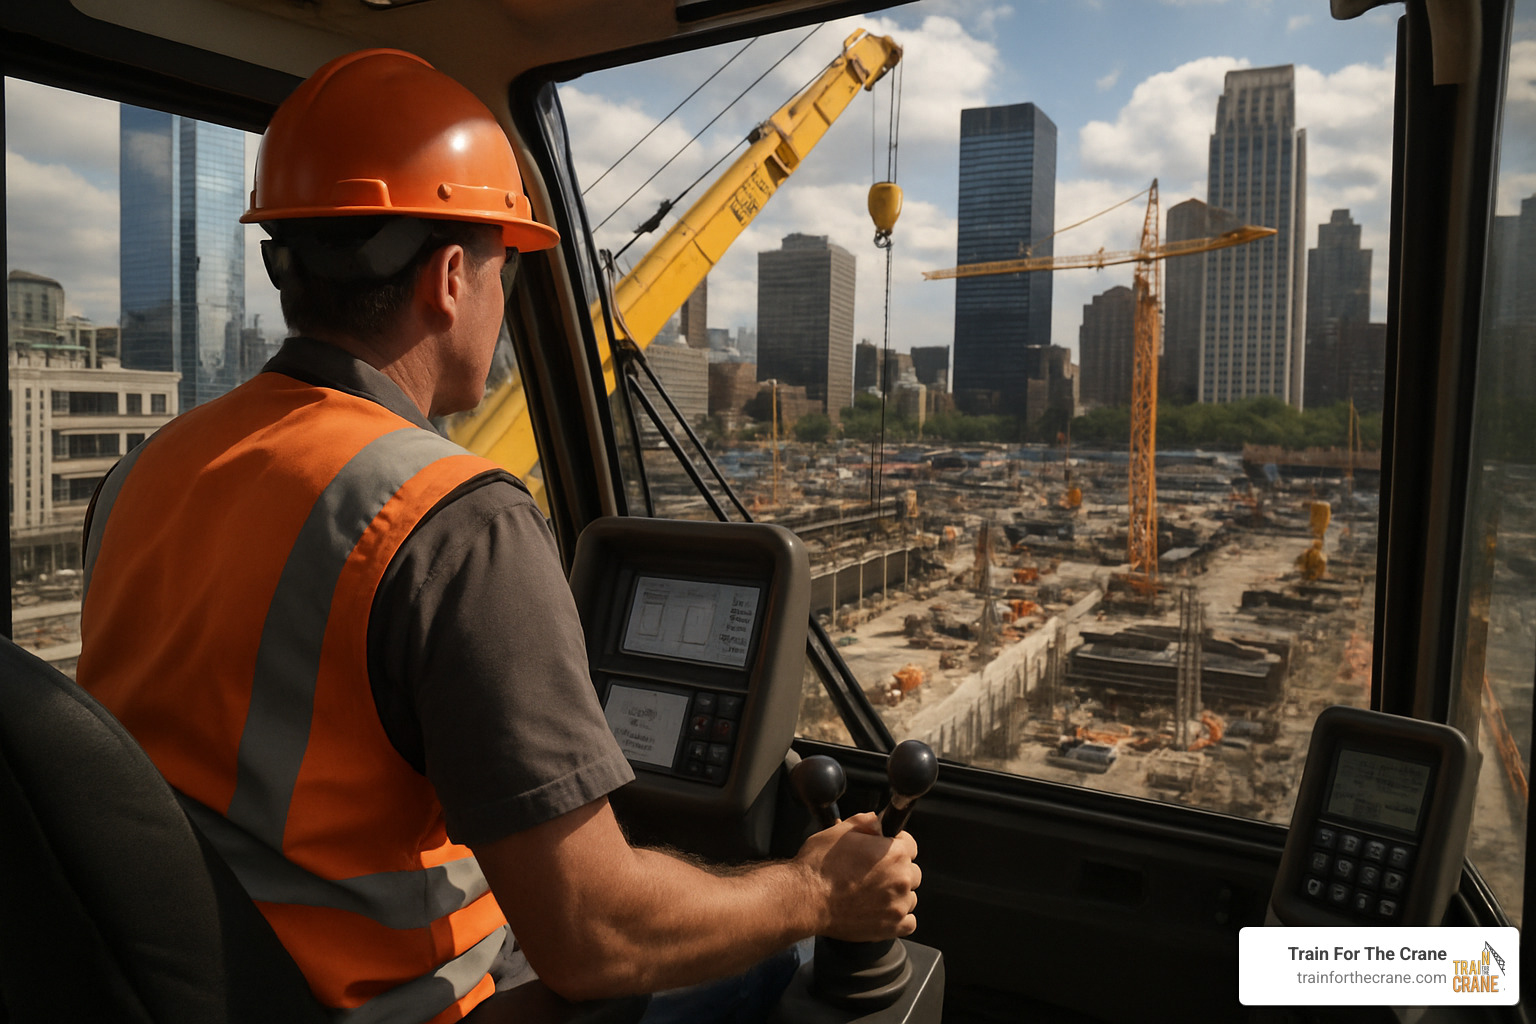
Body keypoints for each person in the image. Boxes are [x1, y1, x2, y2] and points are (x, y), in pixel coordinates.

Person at [75, 48, 919, 1024]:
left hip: (187, 987)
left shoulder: (143, 473)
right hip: (390, 1008)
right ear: (446, 277)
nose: (507, 297)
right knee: (798, 960)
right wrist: (817, 889)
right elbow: (594, 935)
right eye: (505, 265)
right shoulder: (449, 518)